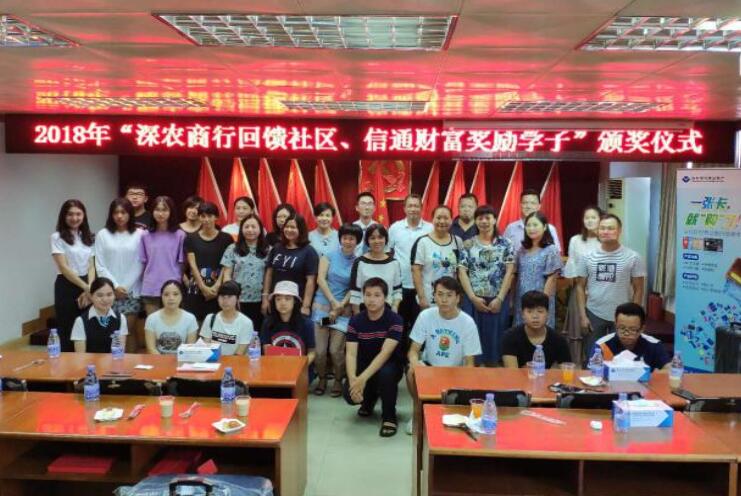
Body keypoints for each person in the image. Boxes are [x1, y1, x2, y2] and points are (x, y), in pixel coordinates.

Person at [576, 213, 646, 355]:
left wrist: (634, 316)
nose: (606, 232)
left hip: (623, 315)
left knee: (622, 356)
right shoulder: (587, 257)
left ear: (619, 231)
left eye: (610, 228)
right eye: (602, 228)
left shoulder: (633, 257)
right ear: (597, 231)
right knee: (593, 355)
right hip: (594, 313)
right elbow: (579, 286)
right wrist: (583, 316)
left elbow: (639, 289)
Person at [345, 278, 404, 437]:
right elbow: (351, 354)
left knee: (385, 374)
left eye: (377, 295)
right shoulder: (355, 320)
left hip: (390, 365)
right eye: (368, 295)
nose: (372, 299)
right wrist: (353, 381)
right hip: (365, 364)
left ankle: (389, 416)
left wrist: (361, 379)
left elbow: (385, 353)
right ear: (363, 297)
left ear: (385, 298)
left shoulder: (395, 320)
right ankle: (369, 400)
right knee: (349, 395)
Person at [459, 205, 515, 366]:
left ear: (494, 220)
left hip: (497, 300)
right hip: (473, 299)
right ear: (475, 221)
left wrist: (500, 298)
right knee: (472, 339)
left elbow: (510, 272)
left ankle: (493, 372)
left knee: (495, 341)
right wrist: (472, 298)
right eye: (480, 218)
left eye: (487, 218)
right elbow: (462, 271)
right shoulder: (468, 244)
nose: (484, 221)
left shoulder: (506, 243)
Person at [313, 223, 362, 396]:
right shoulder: (328, 256)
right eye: (345, 238)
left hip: (342, 312)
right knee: (319, 351)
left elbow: (354, 287)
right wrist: (333, 302)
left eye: (352, 239)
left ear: (357, 241)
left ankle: (338, 380)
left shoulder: (358, 262)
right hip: (323, 308)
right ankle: (321, 378)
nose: (348, 241)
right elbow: (320, 279)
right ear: (340, 239)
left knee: (336, 350)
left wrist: (340, 306)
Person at [94, 198, 144, 352]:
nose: (120, 216)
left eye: (123, 212)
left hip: (132, 291)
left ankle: (130, 365)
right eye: (116, 212)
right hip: (108, 292)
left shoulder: (140, 234)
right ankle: (111, 364)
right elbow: (100, 264)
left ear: (130, 214)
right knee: (110, 332)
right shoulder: (103, 234)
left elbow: (141, 263)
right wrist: (114, 287)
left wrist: (124, 287)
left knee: (127, 331)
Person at [52, 199, 96, 351]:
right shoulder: (57, 237)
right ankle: (68, 363)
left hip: (87, 283)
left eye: (78, 214)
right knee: (67, 328)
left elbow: (91, 265)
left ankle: (86, 362)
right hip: (66, 284)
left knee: (87, 327)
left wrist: (90, 287)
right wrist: (86, 288)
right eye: (70, 214)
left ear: (84, 216)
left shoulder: (89, 236)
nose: (74, 218)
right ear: (63, 216)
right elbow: (63, 267)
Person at [562, 205, 603, 364]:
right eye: (587, 218)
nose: (590, 221)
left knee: (595, 330)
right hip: (579, 289)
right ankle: (576, 364)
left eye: (593, 217)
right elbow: (571, 265)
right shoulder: (576, 240)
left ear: (600, 220)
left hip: (600, 292)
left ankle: (595, 363)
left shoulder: (605, 240)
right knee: (578, 328)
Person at [388, 193, 432, 337]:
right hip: (400, 286)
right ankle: (400, 352)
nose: (413, 209)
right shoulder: (395, 228)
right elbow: (388, 253)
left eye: (416, 206)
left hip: (423, 287)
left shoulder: (430, 229)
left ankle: (417, 351)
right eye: (410, 206)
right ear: (404, 208)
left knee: (420, 327)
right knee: (399, 325)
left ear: (421, 208)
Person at [184, 202, 233, 322]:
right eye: (203, 216)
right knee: (195, 324)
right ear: (199, 217)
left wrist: (217, 286)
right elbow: (192, 265)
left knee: (216, 324)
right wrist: (203, 287)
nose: (206, 220)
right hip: (196, 289)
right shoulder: (191, 238)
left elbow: (227, 265)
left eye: (210, 216)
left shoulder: (226, 238)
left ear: (216, 217)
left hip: (219, 290)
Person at [262, 213, 318, 317]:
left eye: (293, 227)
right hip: (276, 301)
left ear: (301, 230)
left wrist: (306, 306)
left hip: (297, 303)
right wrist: (265, 298)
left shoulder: (309, 251)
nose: (289, 230)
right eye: (286, 227)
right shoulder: (277, 248)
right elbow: (269, 274)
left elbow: (311, 281)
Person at [221, 214, 270, 333]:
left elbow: (269, 276)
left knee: (256, 334)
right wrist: (231, 297)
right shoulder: (232, 248)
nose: (250, 230)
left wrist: (265, 299)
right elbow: (227, 275)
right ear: (241, 229)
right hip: (238, 300)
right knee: (237, 333)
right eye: (246, 227)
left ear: (260, 229)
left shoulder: (268, 250)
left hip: (259, 301)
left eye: (254, 226)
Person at [513, 212, 563, 329]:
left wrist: (541, 303)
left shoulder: (551, 250)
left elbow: (551, 279)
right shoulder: (522, 250)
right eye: (528, 225)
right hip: (521, 299)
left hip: (540, 301)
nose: (531, 228)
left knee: (540, 333)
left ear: (544, 227)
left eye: (535, 225)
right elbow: (515, 275)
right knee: (521, 333)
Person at [140, 196, 186, 315]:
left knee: (172, 324)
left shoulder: (180, 235)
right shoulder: (145, 235)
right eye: (157, 209)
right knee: (152, 323)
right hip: (150, 286)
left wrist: (178, 283)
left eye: (164, 210)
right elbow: (143, 263)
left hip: (173, 287)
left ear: (171, 212)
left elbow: (182, 264)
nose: (160, 213)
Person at [411, 205, 463, 310]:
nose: (442, 221)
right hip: (429, 298)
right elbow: (416, 271)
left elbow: (459, 271)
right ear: (432, 219)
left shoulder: (458, 241)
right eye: (438, 218)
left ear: (451, 220)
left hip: (451, 298)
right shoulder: (422, 242)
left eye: (446, 218)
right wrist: (421, 297)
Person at [502, 290, 571, 368]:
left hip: (545, 376)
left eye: (540, 311)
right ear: (522, 314)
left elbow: (567, 370)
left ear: (548, 314)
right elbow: (511, 372)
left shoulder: (559, 340)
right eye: (530, 311)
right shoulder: (510, 337)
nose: (535, 316)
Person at [594, 302, 670, 371]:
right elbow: (593, 373)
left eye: (632, 329)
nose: (626, 333)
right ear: (615, 325)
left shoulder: (654, 345)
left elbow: (668, 369)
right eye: (622, 328)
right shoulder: (602, 345)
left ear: (642, 329)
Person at [349, 224, 402, 313]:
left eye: (380, 237)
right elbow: (355, 294)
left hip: (387, 312)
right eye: (372, 238)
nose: (377, 241)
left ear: (385, 239)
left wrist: (394, 308)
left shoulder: (394, 263)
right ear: (367, 241)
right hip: (364, 311)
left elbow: (397, 291)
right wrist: (358, 317)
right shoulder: (359, 262)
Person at [261, 281, 316, 362]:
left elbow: (312, 352)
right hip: (275, 365)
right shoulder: (268, 323)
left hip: (300, 366)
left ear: (295, 301)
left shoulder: (307, 324)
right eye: (278, 299)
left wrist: (301, 366)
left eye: (287, 299)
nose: (283, 303)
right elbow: (266, 350)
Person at [71, 277, 129, 353]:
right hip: (88, 361)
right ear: (91, 296)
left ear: (114, 296)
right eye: (100, 295)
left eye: (109, 295)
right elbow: (80, 356)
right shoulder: (80, 321)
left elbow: (119, 353)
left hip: (113, 360)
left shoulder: (121, 318)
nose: (105, 299)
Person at [199, 281, 254, 356]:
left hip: (235, 362)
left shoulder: (246, 323)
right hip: (213, 361)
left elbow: (239, 353)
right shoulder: (210, 319)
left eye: (230, 296)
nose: (225, 301)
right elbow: (206, 348)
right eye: (222, 296)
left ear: (238, 298)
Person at [144, 280, 198, 354]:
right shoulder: (151, 319)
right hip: (158, 359)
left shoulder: (190, 319)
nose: (171, 298)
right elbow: (151, 348)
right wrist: (164, 360)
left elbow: (190, 349)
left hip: (182, 359)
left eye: (175, 294)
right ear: (161, 297)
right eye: (166, 295)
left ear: (182, 296)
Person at [353, 192, 377, 256]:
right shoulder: (351, 229)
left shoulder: (380, 228)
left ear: (374, 208)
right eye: (363, 203)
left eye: (370, 204)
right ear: (357, 208)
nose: (367, 207)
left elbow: (385, 251)